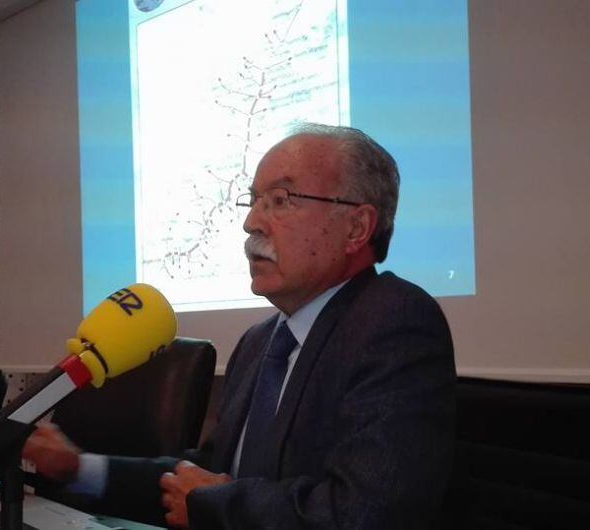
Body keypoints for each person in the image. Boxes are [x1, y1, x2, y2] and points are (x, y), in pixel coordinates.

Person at [23, 123, 456, 529]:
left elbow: (368, 511)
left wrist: (214, 503)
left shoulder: (394, 322)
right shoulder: (260, 341)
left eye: (281, 199)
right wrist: (78, 468)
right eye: (254, 200)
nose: (251, 223)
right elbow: (206, 476)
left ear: (356, 227)